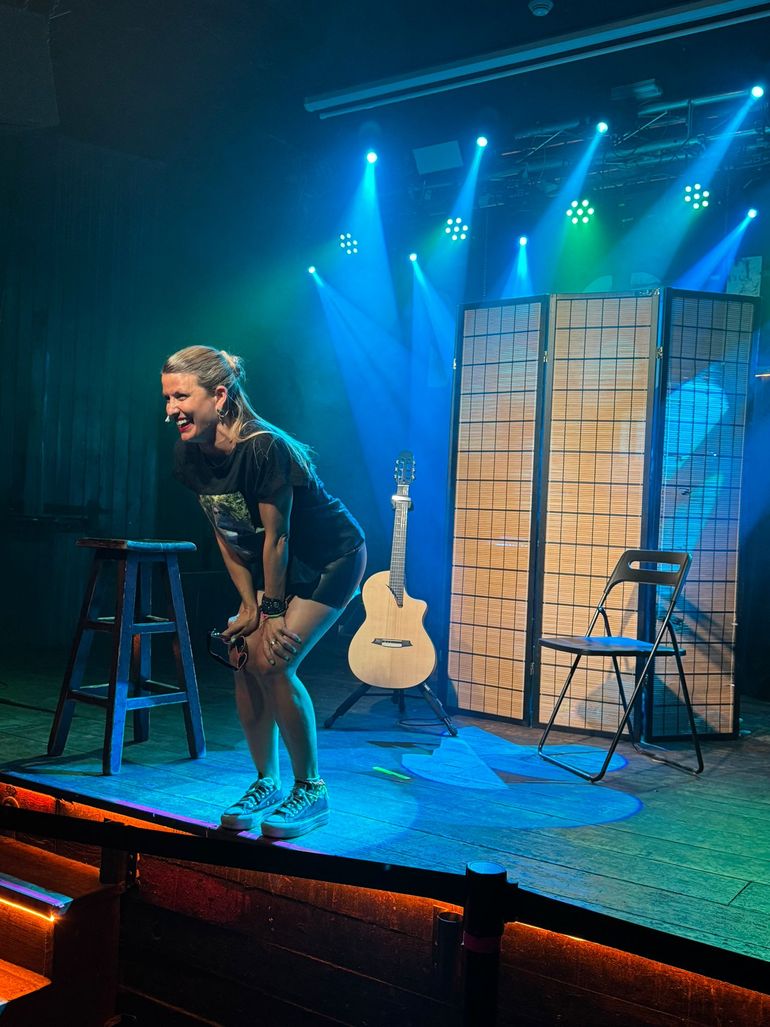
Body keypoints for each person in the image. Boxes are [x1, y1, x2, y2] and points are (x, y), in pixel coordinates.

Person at [161, 345, 366, 840]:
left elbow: (279, 538)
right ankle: (265, 783)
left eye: (181, 397)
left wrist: (271, 613)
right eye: (167, 398)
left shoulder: (262, 447)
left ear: (219, 396)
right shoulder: (190, 453)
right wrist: (249, 606)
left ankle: (311, 789)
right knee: (241, 657)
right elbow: (226, 533)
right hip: (272, 566)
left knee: (273, 661)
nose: (171, 410)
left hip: (329, 559)